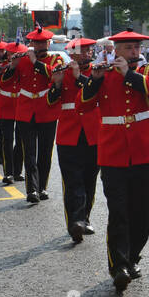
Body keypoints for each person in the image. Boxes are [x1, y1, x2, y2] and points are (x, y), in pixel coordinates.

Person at [80, 30, 149, 293]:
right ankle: (119, 266)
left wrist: (128, 74)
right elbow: (84, 105)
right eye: (128, 49)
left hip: (143, 148)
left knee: (140, 210)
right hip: (113, 150)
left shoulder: (146, 71)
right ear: (116, 50)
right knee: (118, 211)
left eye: (135, 48)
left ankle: (134, 257)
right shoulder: (102, 73)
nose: (133, 53)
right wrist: (93, 81)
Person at [49, 37, 101, 243]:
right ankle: (75, 222)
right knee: (72, 181)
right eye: (82, 51)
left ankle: (85, 217)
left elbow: (93, 91)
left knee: (89, 179)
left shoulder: (97, 72)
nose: (87, 54)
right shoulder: (62, 71)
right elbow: (50, 101)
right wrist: (58, 83)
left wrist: (79, 77)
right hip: (69, 132)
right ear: (72, 54)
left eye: (89, 51)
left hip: (93, 132)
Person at [2, 27, 60, 204]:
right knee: (29, 152)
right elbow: (5, 82)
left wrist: (35, 62)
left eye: (44, 42)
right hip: (25, 110)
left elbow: (54, 75)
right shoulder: (22, 60)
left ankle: (42, 186)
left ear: (48, 43)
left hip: (47, 109)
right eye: (37, 43)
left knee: (45, 151)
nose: (41, 45)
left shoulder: (55, 59)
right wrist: (12, 66)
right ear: (32, 44)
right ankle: (32, 189)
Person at [0, 41, 26, 186]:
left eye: (17, 54)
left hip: (21, 103)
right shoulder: (2, 66)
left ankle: (17, 171)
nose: (14, 57)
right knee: (7, 139)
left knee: (21, 140)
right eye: (12, 54)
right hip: (6, 103)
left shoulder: (26, 66)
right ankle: (8, 172)